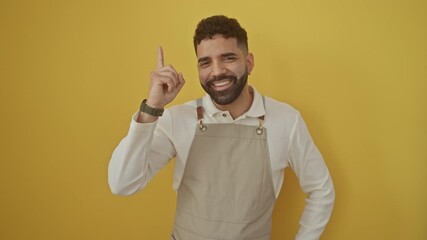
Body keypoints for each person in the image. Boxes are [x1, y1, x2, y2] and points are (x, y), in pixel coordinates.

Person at [108, 15, 335, 240]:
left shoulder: (286, 120)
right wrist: (152, 108)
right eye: (205, 62)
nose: (216, 72)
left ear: (249, 62)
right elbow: (123, 184)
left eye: (228, 58)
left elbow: (321, 190)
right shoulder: (177, 119)